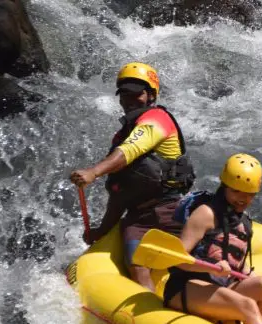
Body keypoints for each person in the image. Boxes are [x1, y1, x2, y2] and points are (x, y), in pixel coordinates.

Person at [70, 62, 195, 291]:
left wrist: (93, 172)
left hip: (172, 210)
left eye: (136, 93)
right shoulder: (122, 135)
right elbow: (120, 192)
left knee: (194, 259)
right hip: (139, 219)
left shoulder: (157, 120)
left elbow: (130, 151)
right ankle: (150, 313)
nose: (129, 99)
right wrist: (102, 231)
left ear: (150, 95)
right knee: (137, 265)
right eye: (124, 93)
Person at [162, 154, 262, 324]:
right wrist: (210, 267)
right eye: (235, 191)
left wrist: (248, 274)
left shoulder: (242, 220)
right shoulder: (206, 213)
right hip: (187, 287)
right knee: (247, 306)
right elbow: (177, 259)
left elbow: (234, 256)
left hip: (221, 285)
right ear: (224, 187)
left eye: (249, 194)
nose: (242, 198)